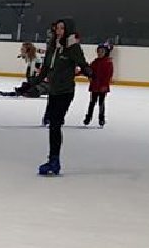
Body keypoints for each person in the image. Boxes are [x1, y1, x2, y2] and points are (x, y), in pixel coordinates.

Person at [36, 18, 88, 175]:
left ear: (68, 30)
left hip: (65, 91)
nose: (58, 31)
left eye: (61, 28)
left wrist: (92, 74)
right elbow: (46, 68)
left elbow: (82, 64)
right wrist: (33, 83)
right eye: (57, 28)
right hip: (53, 90)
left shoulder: (72, 47)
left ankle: (54, 160)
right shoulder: (52, 46)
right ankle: (53, 159)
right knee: (53, 125)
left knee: (55, 124)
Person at [84, 43, 113, 127]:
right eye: (98, 51)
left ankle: (101, 118)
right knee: (92, 102)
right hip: (94, 86)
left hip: (102, 87)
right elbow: (90, 71)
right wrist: (88, 74)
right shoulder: (95, 62)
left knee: (101, 103)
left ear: (106, 52)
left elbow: (108, 75)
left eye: (102, 51)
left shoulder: (108, 63)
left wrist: (104, 85)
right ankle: (88, 117)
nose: (99, 53)